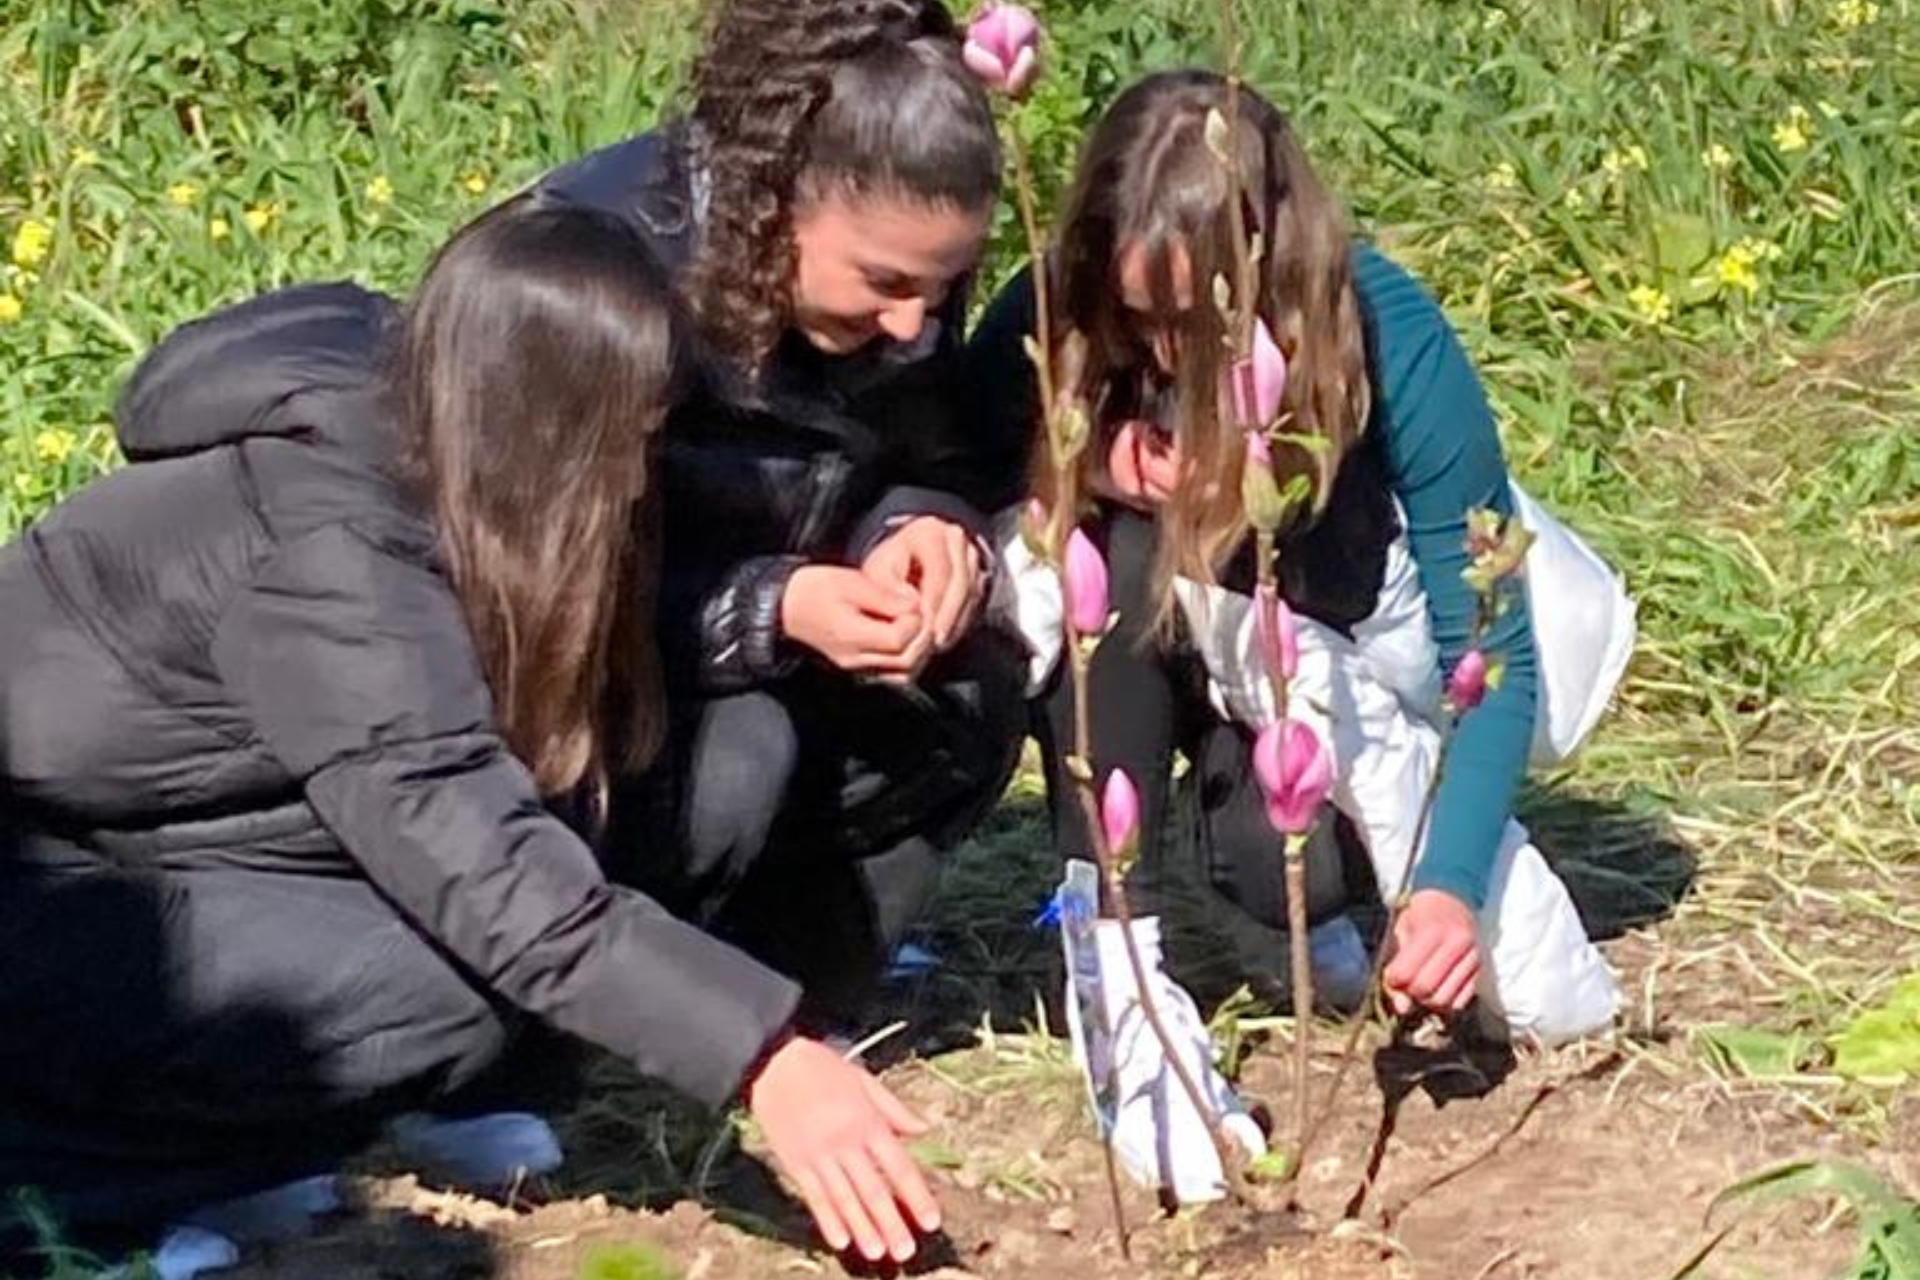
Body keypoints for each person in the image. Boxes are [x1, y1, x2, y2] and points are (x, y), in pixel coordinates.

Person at [0, 197, 932, 1278]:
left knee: (719, 762)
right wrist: (763, 1054)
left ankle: (353, 1117)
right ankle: (69, 1187)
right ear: (552, 424)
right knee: (442, 980)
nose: (644, 473)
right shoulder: (334, 555)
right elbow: (484, 868)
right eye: (635, 439)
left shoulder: (447, 441)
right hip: (52, 883)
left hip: (185, 826)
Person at [973, 70, 1630, 1197]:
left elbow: (1495, 646)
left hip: (1318, 664)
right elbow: (948, 473)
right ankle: (1117, 961)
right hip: (1140, 647)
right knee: (1123, 551)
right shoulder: (1051, 312)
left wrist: (1449, 880)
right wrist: (1077, 467)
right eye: (1140, 321)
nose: (1169, 356)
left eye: (1198, 322)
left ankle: (1325, 881)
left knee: (1269, 868)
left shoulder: (1390, 334)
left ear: (1275, 260)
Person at [532, 0, 1028, 1059]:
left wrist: (933, 530)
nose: (911, 326)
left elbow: (926, 451)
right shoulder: (600, 265)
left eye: (940, 291)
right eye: (886, 284)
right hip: (595, 698)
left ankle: (799, 1010)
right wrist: (776, 605)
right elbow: (521, 586)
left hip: (790, 635)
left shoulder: (897, 270)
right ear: (774, 203)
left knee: (973, 688)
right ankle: (596, 1023)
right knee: (742, 750)